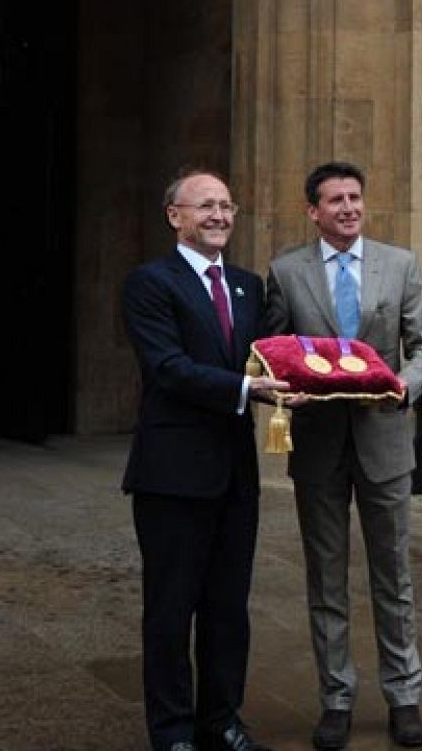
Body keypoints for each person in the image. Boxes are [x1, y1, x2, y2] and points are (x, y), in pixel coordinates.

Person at [263, 161, 422, 750]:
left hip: (384, 439)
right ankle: (336, 698)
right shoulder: (286, 272)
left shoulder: (399, 264)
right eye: (334, 200)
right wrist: (278, 384)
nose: (348, 207)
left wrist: (405, 385)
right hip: (318, 445)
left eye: (355, 197)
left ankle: (404, 695)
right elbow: (273, 348)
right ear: (313, 210)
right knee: (326, 577)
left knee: (393, 575)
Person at [121, 169, 288, 751]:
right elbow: (166, 367)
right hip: (171, 474)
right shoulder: (150, 283)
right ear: (175, 216)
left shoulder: (247, 285)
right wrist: (247, 393)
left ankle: (221, 721)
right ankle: (172, 732)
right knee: (171, 611)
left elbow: (275, 354)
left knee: (227, 609)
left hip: (234, 475)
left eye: (226, 206)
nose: (219, 215)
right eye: (205, 206)